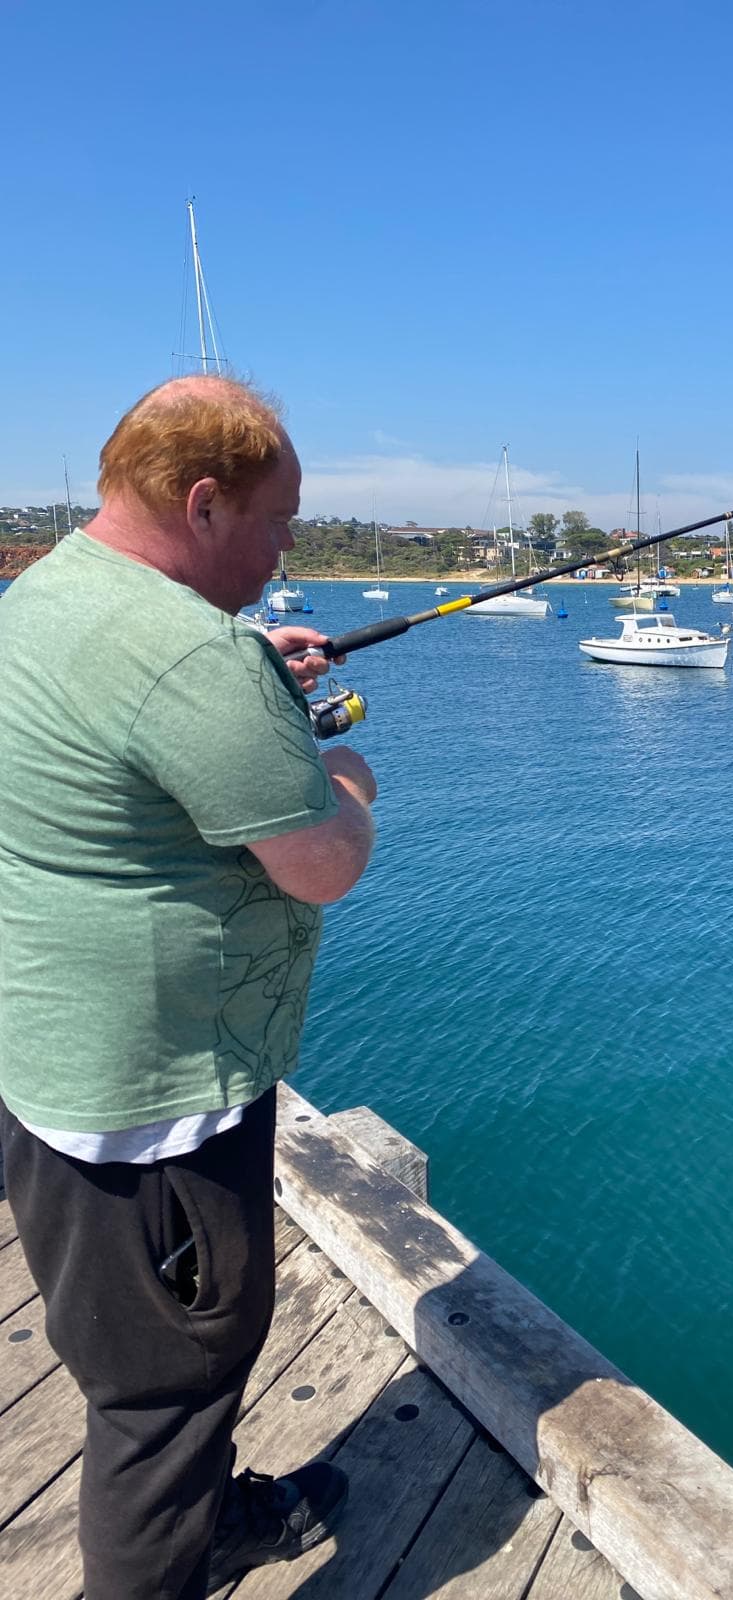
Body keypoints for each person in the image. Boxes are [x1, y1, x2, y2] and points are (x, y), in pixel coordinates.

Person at [0, 376, 379, 1599]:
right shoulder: (187, 656)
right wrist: (353, 784)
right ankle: (175, 1542)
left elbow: (135, 711)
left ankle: (207, 1518)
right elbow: (319, 864)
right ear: (204, 502)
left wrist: (247, 673)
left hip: (48, 1064)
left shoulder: (47, 593)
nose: (285, 554)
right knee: (164, 1398)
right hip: (154, 1102)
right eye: (278, 522)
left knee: (137, 1362)